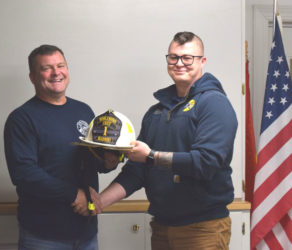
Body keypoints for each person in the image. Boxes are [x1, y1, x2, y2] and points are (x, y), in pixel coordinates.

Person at [93, 32, 238, 250]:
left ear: (202, 61)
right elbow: (136, 170)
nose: (179, 63)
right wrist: (99, 202)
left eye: (187, 57)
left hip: (202, 229)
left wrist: (151, 156)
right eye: (173, 57)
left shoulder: (214, 103)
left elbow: (206, 162)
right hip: (161, 227)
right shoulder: (156, 112)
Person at [4, 44, 120, 250]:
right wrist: (74, 194)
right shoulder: (22, 118)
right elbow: (24, 173)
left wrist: (110, 160)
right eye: (46, 68)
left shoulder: (84, 110)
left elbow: (92, 160)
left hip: (86, 232)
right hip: (43, 235)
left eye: (60, 66)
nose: (56, 72)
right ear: (32, 77)